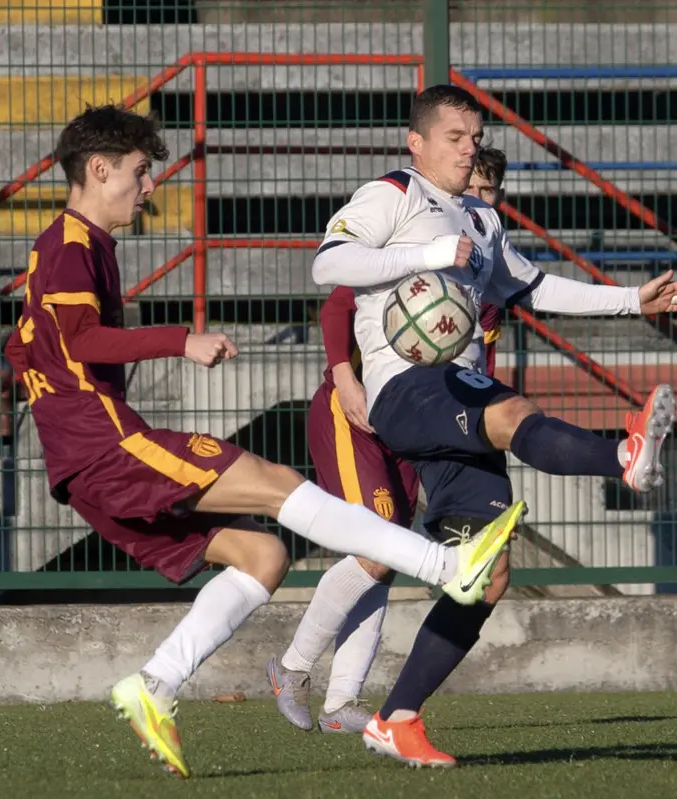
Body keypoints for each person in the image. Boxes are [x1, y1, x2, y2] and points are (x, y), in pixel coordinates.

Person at [1, 103, 520, 779]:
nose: (149, 186)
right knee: (279, 485)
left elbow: (28, 346)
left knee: (263, 555)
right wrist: (181, 340)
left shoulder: (66, 246)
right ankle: (447, 567)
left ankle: (156, 683)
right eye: (139, 171)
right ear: (99, 169)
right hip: (106, 445)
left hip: (82, 460)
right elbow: (79, 339)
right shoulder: (73, 244)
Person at [310, 85, 677, 767]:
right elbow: (329, 262)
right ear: (417, 142)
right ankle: (623, 455)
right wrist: (427, 256)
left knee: (486, 575)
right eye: (455, 137)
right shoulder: (393, 194)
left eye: (476, 138)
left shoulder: (480, 220)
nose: (469, 149)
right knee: (511, 410)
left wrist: (631, 301)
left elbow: (533, 287)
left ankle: (397, 718)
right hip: (407, 386)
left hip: (454, 394)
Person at [267, 148, 512, 736]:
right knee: (377, 550)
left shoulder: (483, 274)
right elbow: (337, 306)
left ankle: (341, 703)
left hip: (411, 425)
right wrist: (345, 378)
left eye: (489, 194)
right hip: (353, 412)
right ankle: (292, 668)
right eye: (472, 190)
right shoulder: (418, 242)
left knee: (389, 555)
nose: (478, 202)